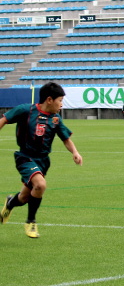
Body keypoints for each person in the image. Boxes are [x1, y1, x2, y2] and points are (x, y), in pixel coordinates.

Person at [0, 82, 83, 238]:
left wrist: (75, 152)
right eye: (60, 100)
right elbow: (4, 119)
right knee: (40, 185)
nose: (61, 104)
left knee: (25, 197)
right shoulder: (26, 110)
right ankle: (31, 221)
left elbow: (65, 139)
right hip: (25, 157)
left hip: (43, 161)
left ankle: (10, 203)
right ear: (49, 100)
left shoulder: (56, 119)